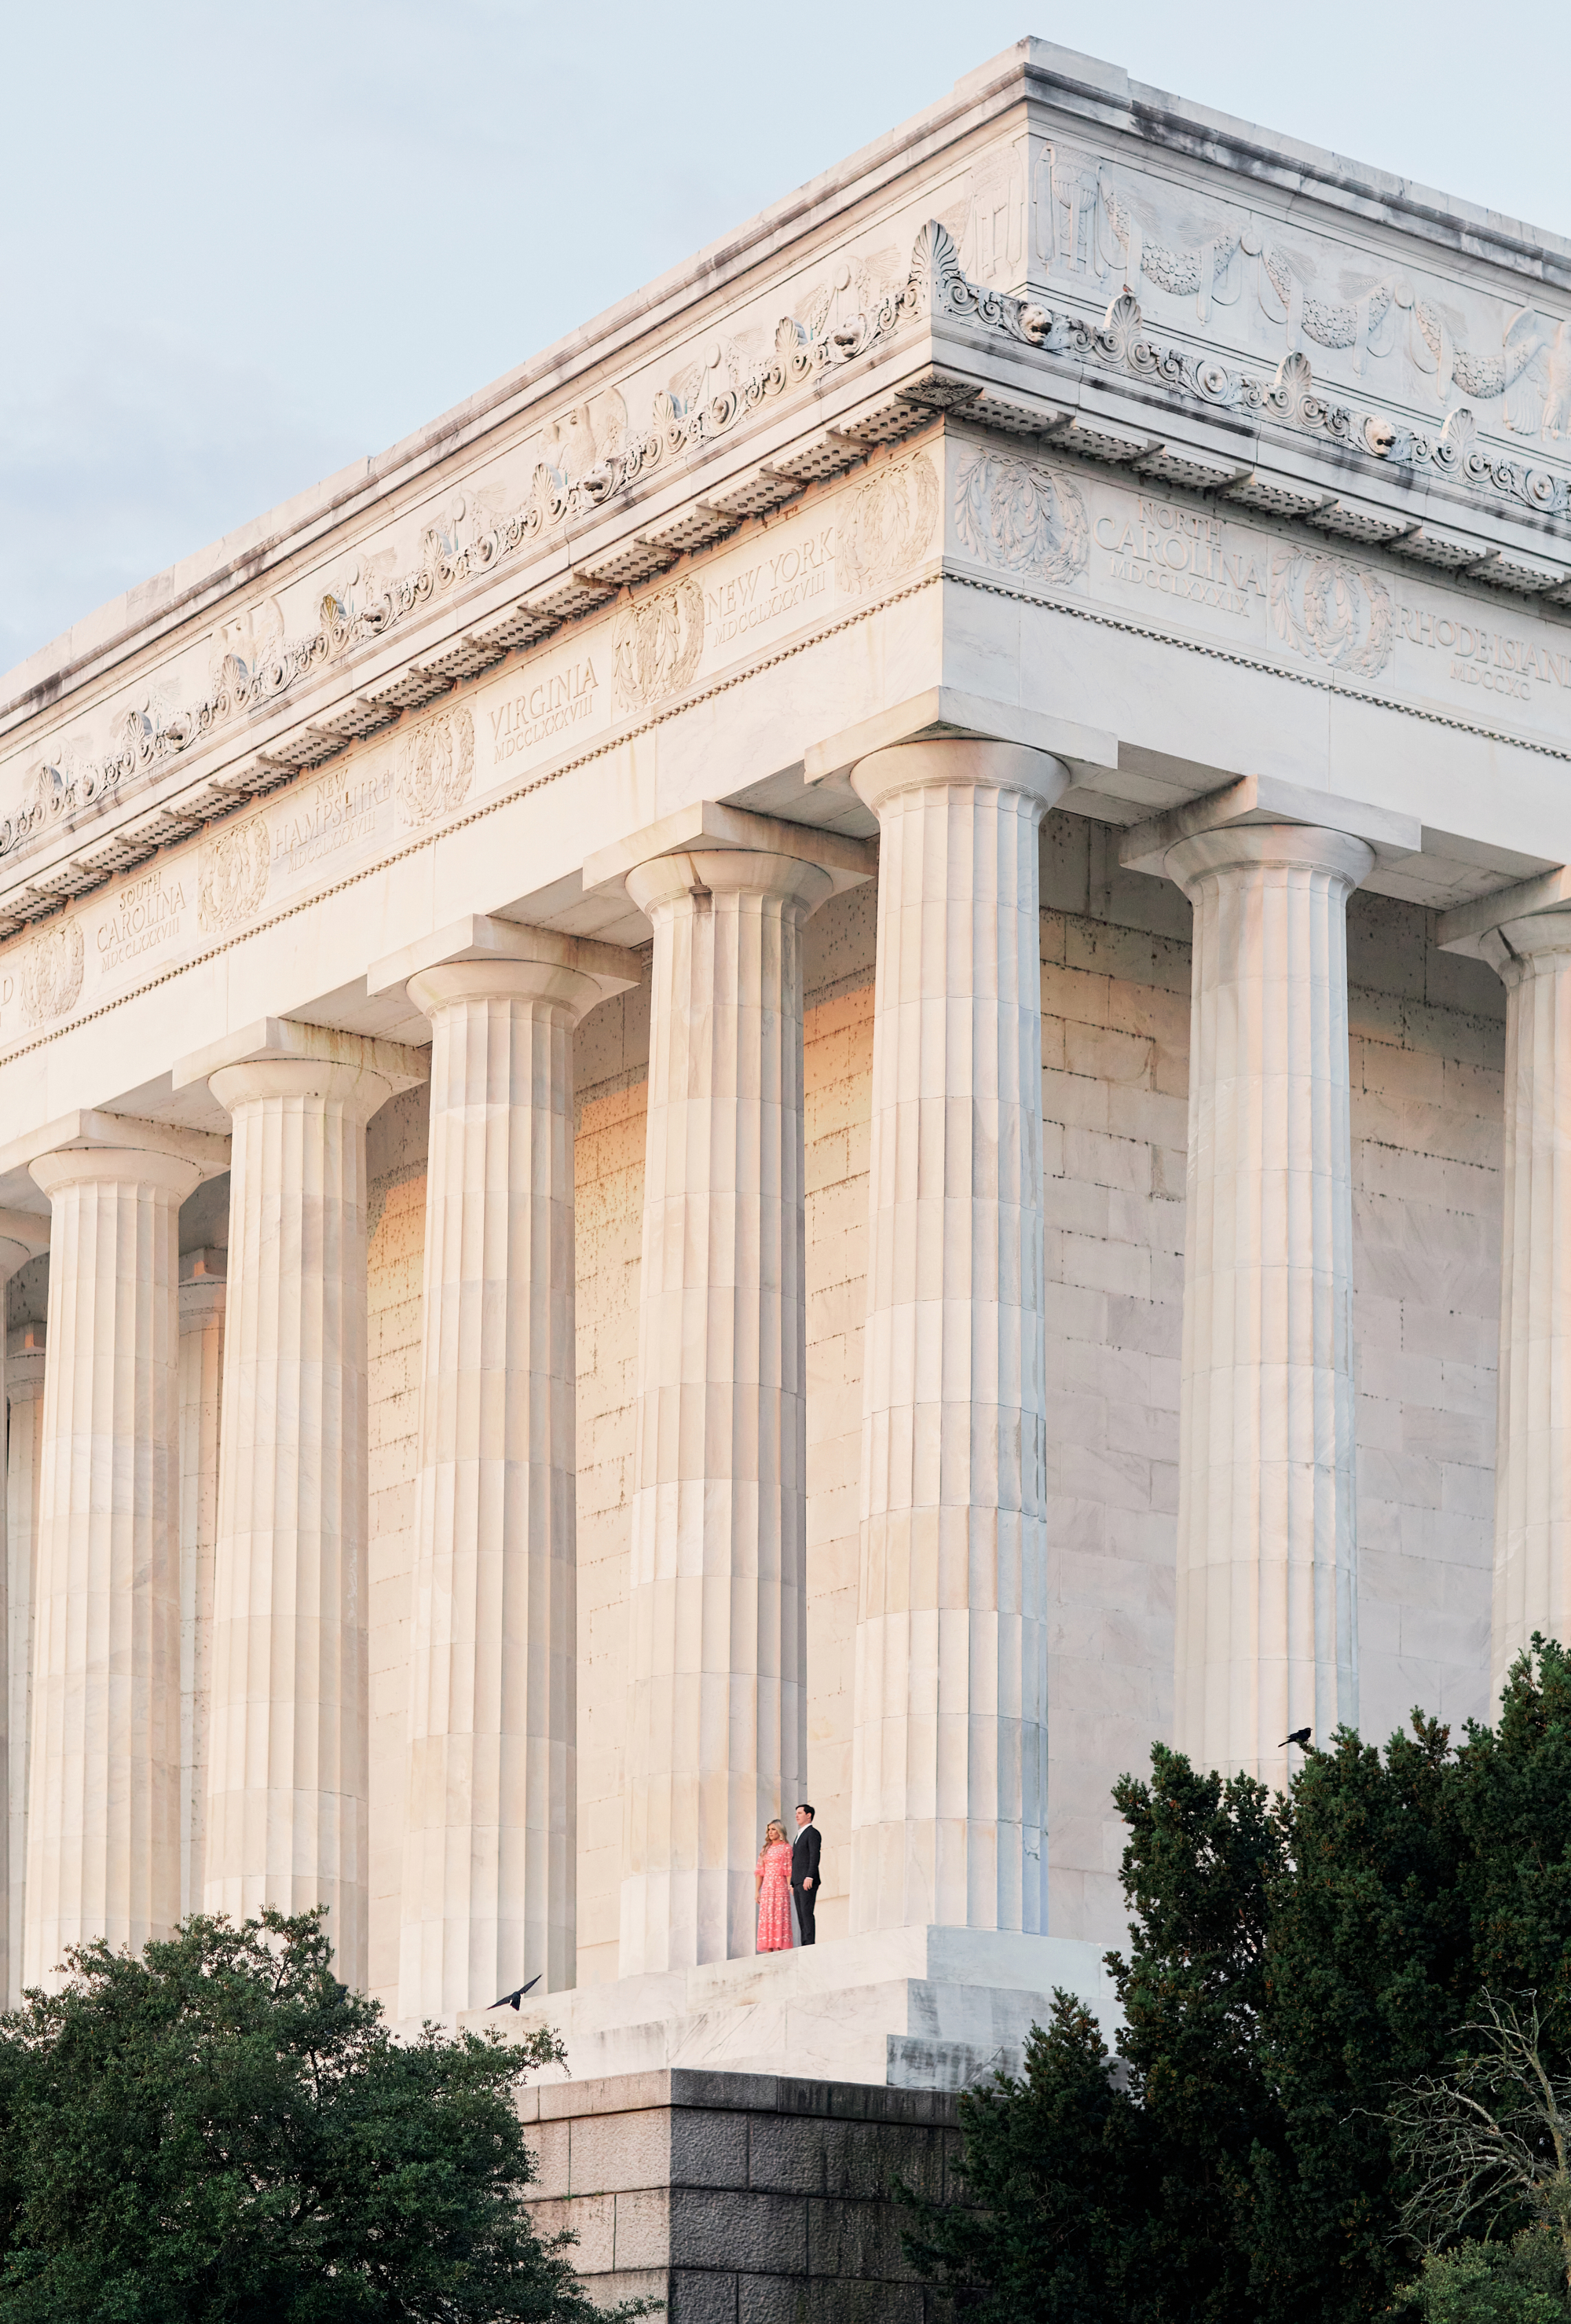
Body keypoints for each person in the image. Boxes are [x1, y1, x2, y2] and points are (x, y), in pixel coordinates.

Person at [755, 1820, 793, 1952]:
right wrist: (757, 1891)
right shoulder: (765, 1848)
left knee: (779, 1915)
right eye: (769, 1830)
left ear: (780, 1831)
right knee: (767, 1916)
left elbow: (789, 1869)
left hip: (781, 1887)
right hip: (767, 1888)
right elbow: (759, 1871)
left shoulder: (786, 1848)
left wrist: (790, 1886)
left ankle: (779, 1946)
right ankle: (769, 1948)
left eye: (773, 1829)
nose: (770, 1832)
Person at [792, 1802, 820, 1945]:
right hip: (797, 1881)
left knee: (806, 1912)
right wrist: (792, 1882)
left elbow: (814, 1856)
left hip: (807, 1880)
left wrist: (810, 1876)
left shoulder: (812, 1833)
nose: (797, 1815)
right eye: (796, 1813)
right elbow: (795, 1860)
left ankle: (809, 1943)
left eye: (800, 1813)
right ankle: (804, 1943)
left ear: (808, 1816)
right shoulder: (799, 1835)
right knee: (800, 1914)